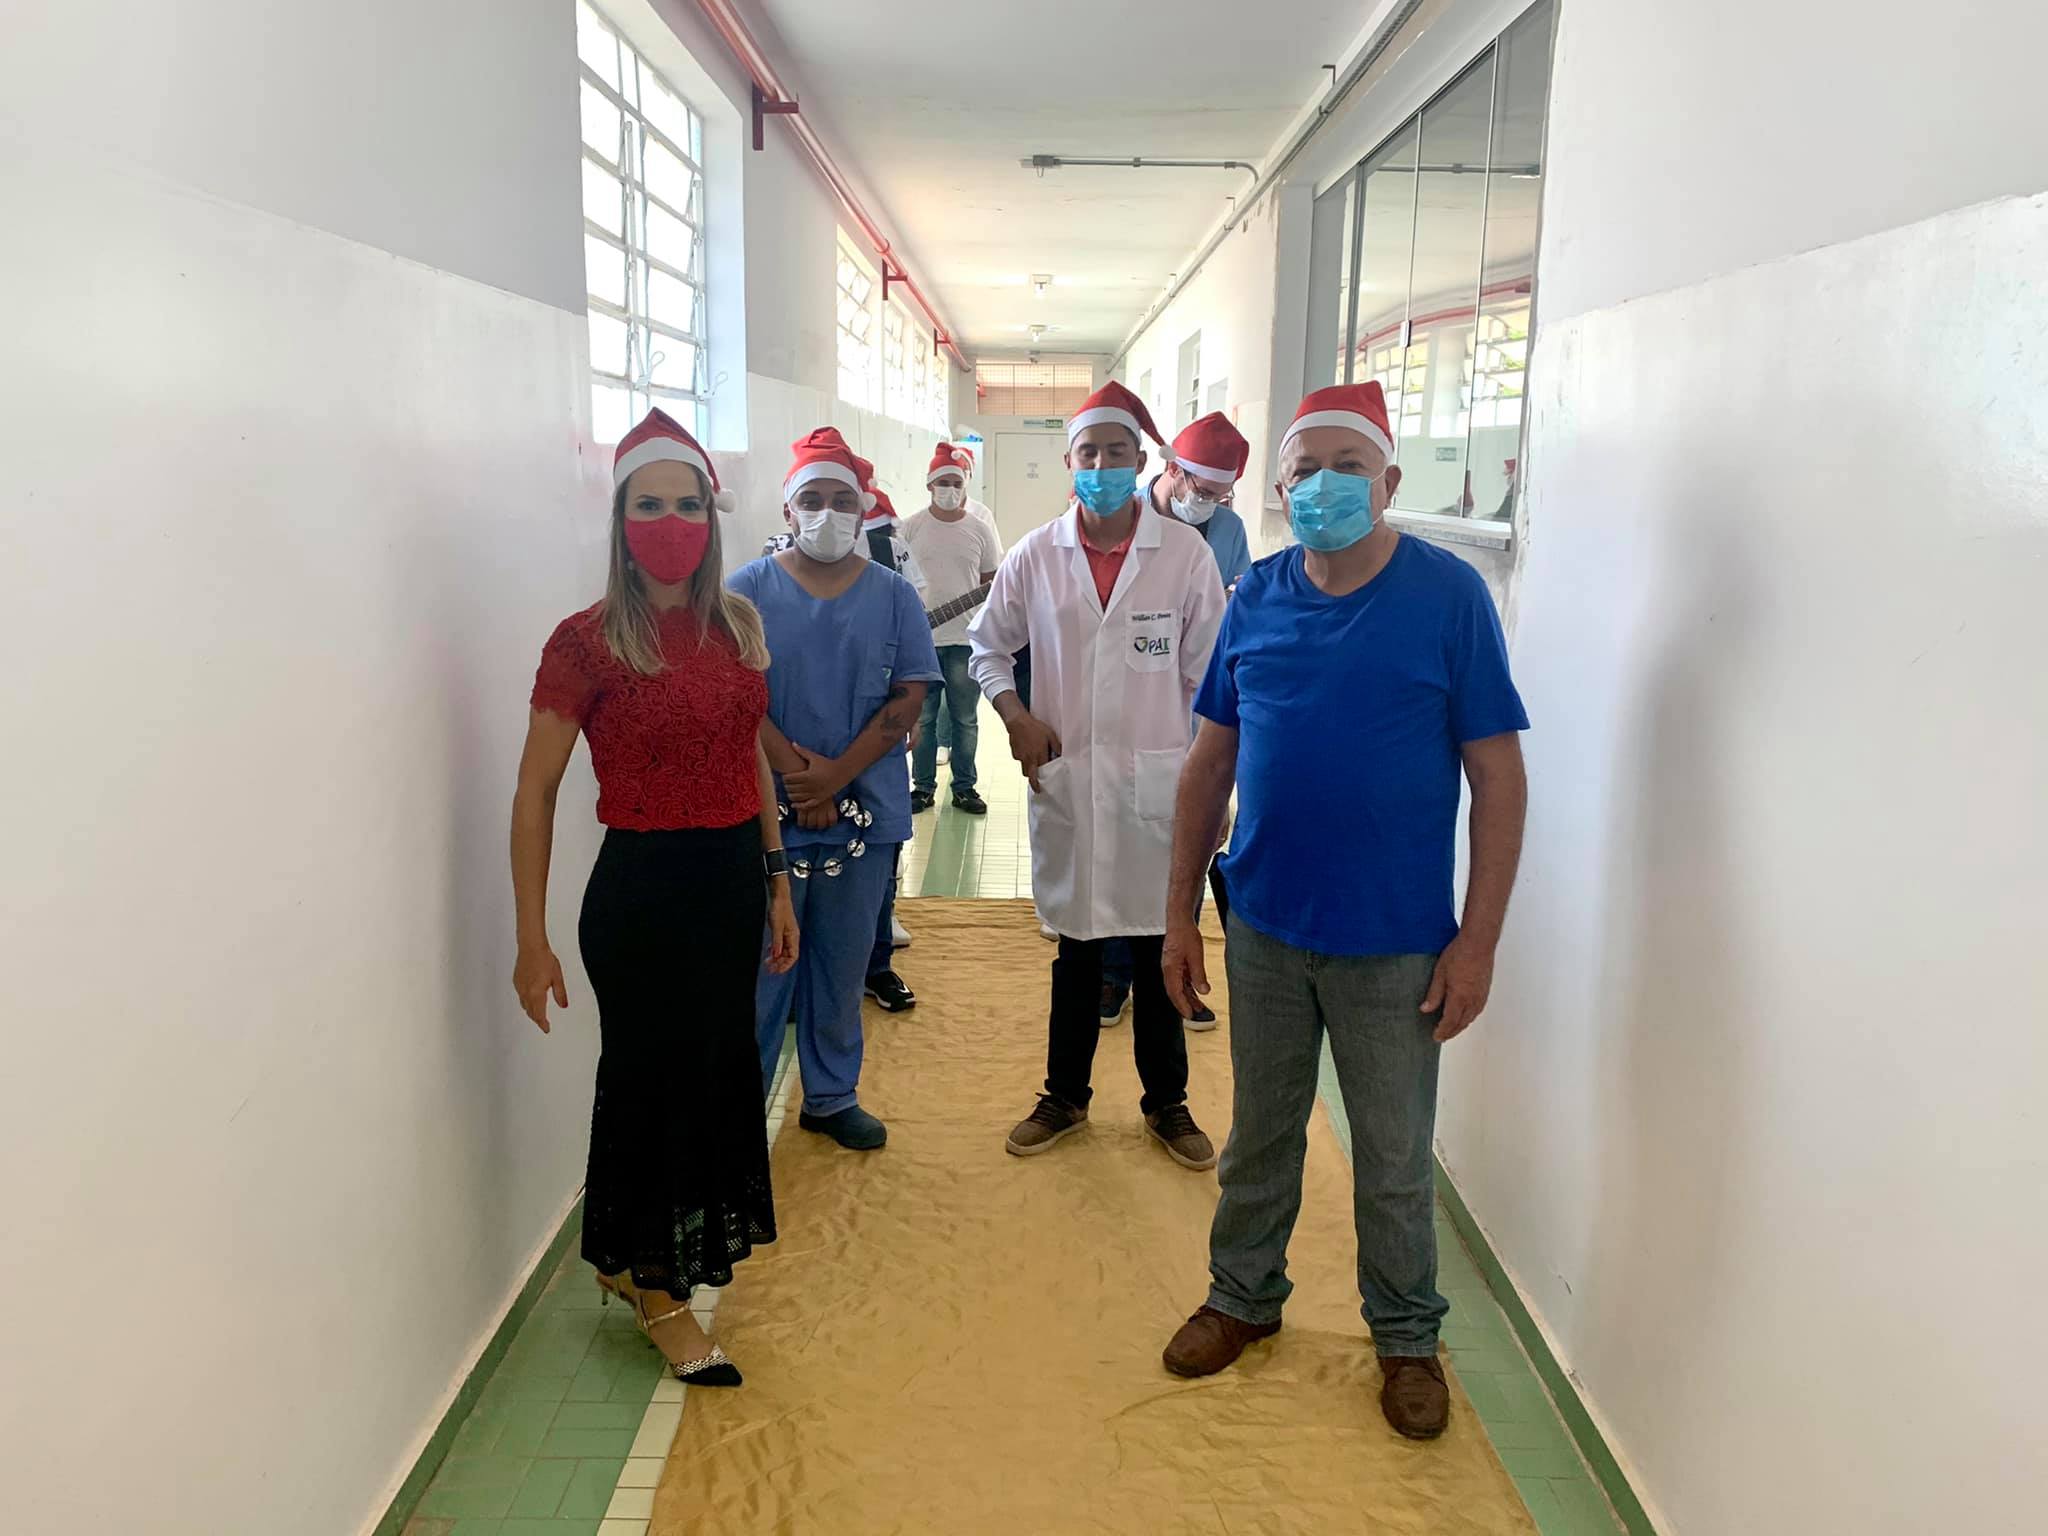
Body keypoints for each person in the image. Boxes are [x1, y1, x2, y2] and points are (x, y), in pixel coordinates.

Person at [1157, 382, 1530, 1441]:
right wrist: (1179, 916)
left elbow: (1497, 779)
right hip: (1266, 927)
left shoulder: (1447, 599)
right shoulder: (1257, 596)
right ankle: (1242, 1297)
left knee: (1393, 1158)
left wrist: (1477, 942)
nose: (1323, 486)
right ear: (1279, 490)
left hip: (1395, 944)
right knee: (1260, 1134)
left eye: (1347, 468)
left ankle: (1406, 1337)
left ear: (1389, 481)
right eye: (1304, 471)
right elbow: (1209, 766)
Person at [511, 408, 798, 1386]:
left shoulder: (739, 626)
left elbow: (747, 760)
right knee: (648, 1086)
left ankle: (638, 1264)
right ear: (619, 519)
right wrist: (531, 938)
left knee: (716, 1075)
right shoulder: (585, 644)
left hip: (729, 887)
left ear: (712, 517)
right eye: (647, 505)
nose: (669, 522)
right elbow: (534, 792)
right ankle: (656, 1288)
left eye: (686, 504)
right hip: (640, 896)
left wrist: (776, 881)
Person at [967, 381, 1226, 1170]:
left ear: (1141, 462)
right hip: (1071, 782)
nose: (1103, 466)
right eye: (1090, 453)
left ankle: (1167, 1103)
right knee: (1076, 951)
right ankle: (1064, 1096)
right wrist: (1015, 716)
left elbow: (1214, 680)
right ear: (1069, 462)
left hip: (1158, 786)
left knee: (1158, 948)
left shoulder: (1184, 556)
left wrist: (1212, 785)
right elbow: (987, 647)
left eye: (1117, 453)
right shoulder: (1033, 555)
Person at [730, 429, 940, 1152]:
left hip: (863, 811)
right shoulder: (747, 591)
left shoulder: (894, 595)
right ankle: (741, 1113)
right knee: (765, 969)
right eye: (811, 500)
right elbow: (736, 695)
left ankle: (830, 1096)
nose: (827, 513)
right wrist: (800, 775)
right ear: (787, 510)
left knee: (844, 961)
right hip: (769, 811)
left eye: (842, 501)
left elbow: (910, 693)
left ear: (864, 509)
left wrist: (836, 775)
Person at [1100, 411, 1255, 1029]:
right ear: (1173, 472)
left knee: (1189, 842)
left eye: (1221, 495)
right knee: (1122, 849)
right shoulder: (1121, 516)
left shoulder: (1229, 530)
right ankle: (1113, 977)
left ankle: (1178, 978)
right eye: (1203, 490)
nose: (1210, 503)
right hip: (1123, 708)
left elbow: (1235, 611)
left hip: (1195, 711)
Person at [904, 441, 1004, 815]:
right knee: (924, 719)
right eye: (943, 482)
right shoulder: (911, 527)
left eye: (956, 483)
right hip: (921, 643)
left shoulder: (979, 529)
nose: (950, 489)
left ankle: (964, 787)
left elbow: (991, 582)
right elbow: (898, 580)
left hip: (966, 640)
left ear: (965, 486)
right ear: (929, 484)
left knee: (965, 719)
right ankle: (922, 787)